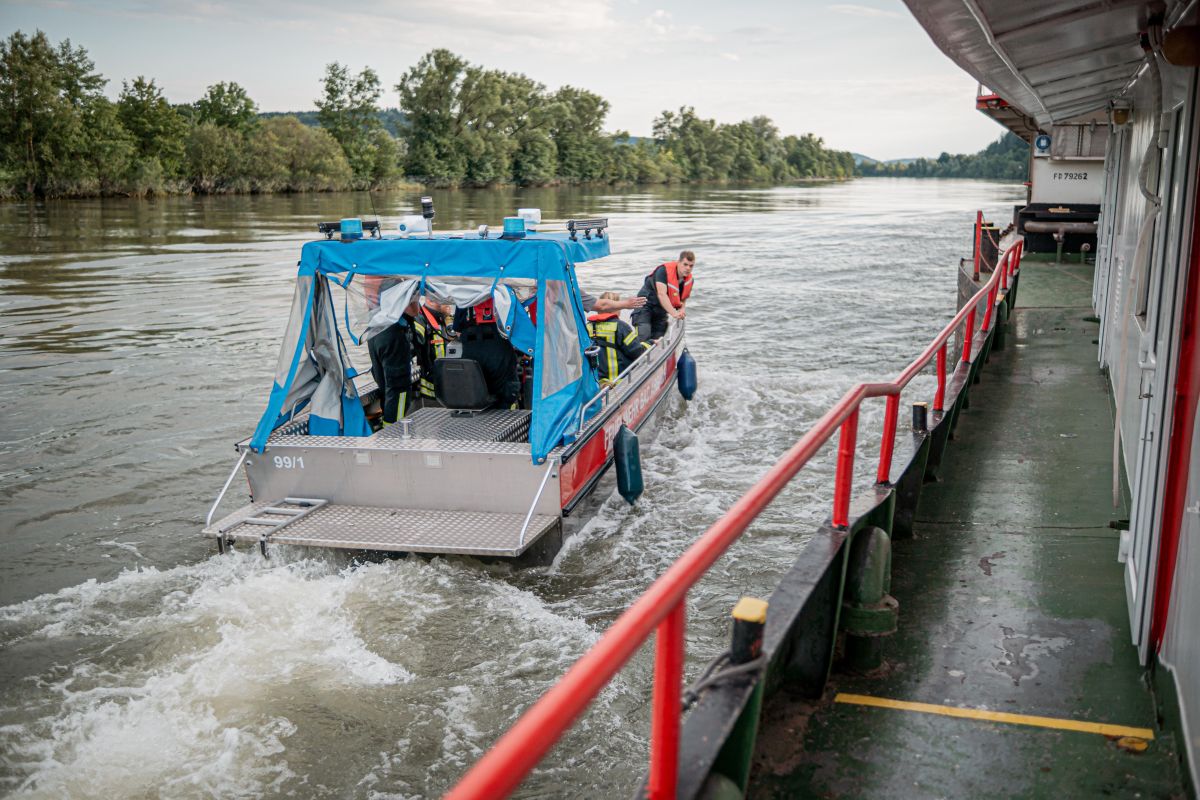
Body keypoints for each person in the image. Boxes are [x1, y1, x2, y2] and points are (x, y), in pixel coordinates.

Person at [454, 297, 520, 408]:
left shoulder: (464, 294)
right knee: (504, 401)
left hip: (472, 359)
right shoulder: (505, 294)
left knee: (475, 401)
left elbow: (458, 331)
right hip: (500, 358)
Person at [368, 298, 418, 425]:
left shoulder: (370, 279)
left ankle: (387, 429)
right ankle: (396, 432)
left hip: (374, 333)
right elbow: (413, 311)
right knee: (399, 390)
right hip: (393, 335)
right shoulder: (397, 280)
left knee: (385, 386)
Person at [587, 292, 651, 385]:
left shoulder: (588, 327)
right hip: (618, 381)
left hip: (596, 382)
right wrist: (650, 343)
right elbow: (636, 352)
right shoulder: (621, 327)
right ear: (617, 307)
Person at [631, 250, 695, 341]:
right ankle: (638, 352)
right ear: (678, 262)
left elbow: (683, 298)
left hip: (661, 309)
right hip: (645, 304)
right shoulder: (663, 271)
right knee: (644, 334)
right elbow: (662, 294)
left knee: (659, 338)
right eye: (685, 264)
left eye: (691, 266)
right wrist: (674, 313)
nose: (688, 268)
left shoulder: (689, 280)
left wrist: (682, 310)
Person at [412, 299, 452, 406]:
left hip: (448, 387)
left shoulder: (446, 319)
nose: (449, 303)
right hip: (430, 393)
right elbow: (412, 347)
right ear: (430, 301)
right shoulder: (420, 320)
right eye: (444, 299)